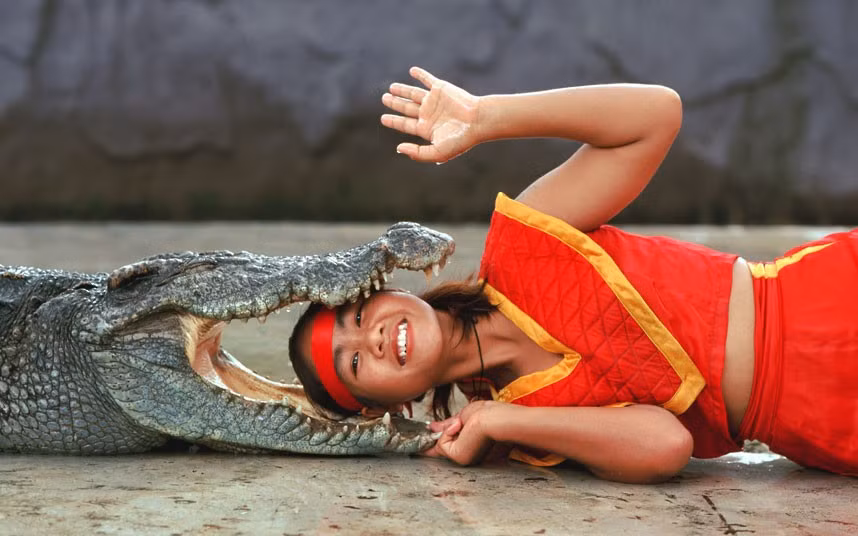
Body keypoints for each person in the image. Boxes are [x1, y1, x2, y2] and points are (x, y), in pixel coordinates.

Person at [288, 67, 858, 484]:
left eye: (359, 316)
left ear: (385, 292)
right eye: (355, 361)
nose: (375, 337)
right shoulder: (516, 429)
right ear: (381, 408)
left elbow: (657, 114)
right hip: (816, 417)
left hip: (826, 292)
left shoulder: (524, 242)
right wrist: (500, 419)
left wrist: (488, 118)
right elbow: (666, 445)